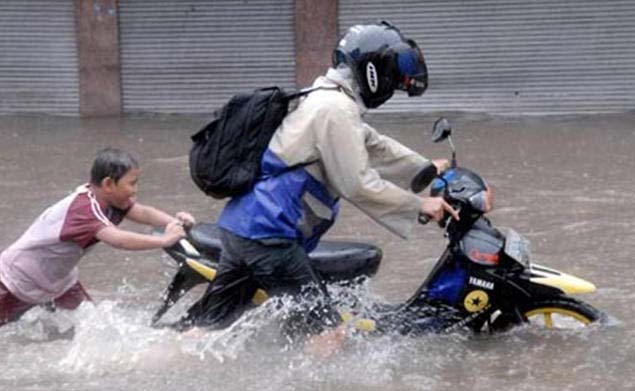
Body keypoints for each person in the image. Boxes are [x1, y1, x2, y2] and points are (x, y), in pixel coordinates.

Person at [180, 21, 458, 354]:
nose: (394, 87)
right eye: (393, 79)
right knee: (329, 332)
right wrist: (419, 205)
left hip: (244, 229)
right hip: (270, 238)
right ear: (375, 71)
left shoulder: (327, 98)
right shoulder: (334, 108)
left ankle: (147, 362)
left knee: (208, 328)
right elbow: (356, 183)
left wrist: (424, 168)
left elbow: (373, 144)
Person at [0, 147, 196, 326]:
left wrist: (174, 223)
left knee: (90, 326)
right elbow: (119, 240)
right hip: (16, 280)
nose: (136, 190)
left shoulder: (111, 201)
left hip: (59, 281)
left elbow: (143, 212)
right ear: (108, 184)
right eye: (132, 183)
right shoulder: (85, 209)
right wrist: (164, 240)